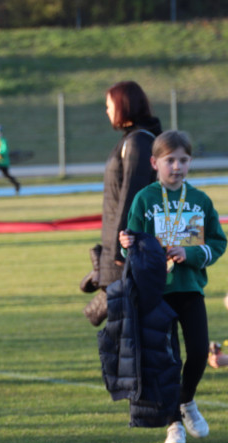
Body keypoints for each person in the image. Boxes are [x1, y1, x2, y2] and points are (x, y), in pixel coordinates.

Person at [119, 130, 226, 443]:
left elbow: (218, 242)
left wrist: (189, 253)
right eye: (170, 160)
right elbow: (131, 247)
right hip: (156, 292)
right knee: (168, 360)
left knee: (197, 352)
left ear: (190, 162)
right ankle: (173, 425)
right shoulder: (145, 199)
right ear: (155, 162)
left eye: (183, 160)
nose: (177, 166)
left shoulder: (200, 200)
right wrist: (127, 245)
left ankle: (187, 400)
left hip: (190, 288)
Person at [100, 81, 162, 290]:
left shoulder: (138, 142)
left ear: (123, 105)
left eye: (110, 105)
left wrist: (120, 249)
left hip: (128, 249)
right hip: (120, 245)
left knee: (129, 318)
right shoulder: (131, 140)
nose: (107, 110)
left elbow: (132, 196)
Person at [0, 124, 20, 195]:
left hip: (3, 162)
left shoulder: (3, 141)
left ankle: (17, 184)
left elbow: (4, 150)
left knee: (6, 175)